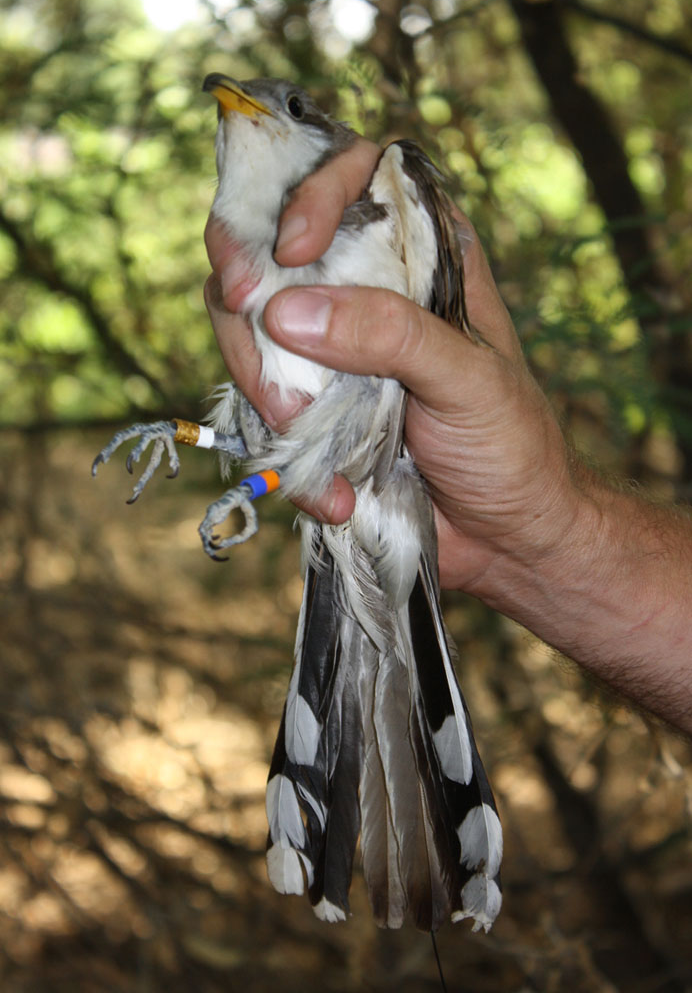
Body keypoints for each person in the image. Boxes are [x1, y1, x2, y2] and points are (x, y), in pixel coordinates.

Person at [203, 136, 692, 736]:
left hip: (376, 471)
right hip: (354, 477)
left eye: (293, 112)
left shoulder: (385, 192)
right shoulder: (258, 240)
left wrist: (550, 533)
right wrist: (549, 539)